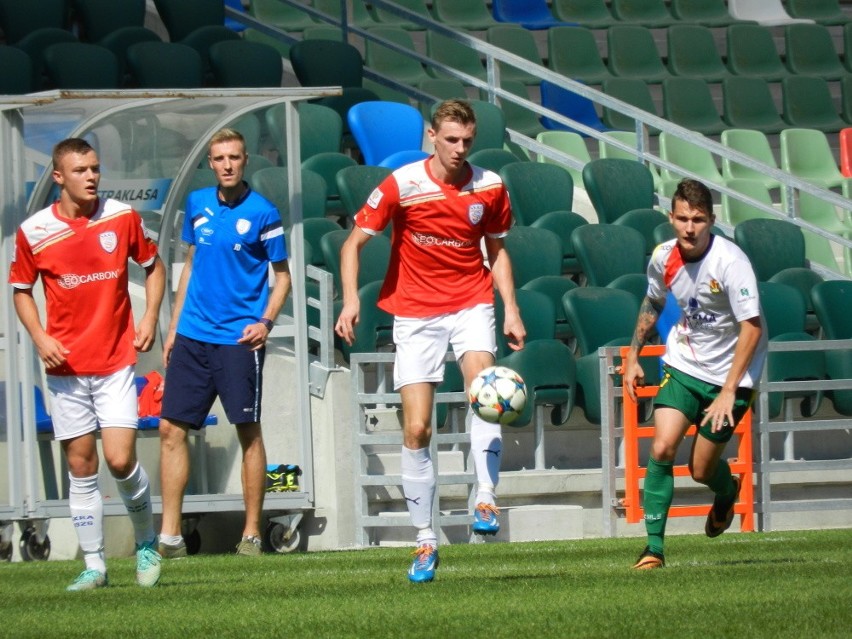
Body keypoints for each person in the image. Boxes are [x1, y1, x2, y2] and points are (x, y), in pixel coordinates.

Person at [335, 99, 526, 583]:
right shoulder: (403, 184)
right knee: (417, 429)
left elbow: (497, 251)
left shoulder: (490, 186)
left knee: (485, 392)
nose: (460, 149)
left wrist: (512, 309)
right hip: (415, 311)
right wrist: (350, 301)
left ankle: (486, 496)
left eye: (467, 140)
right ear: (432, 138)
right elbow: (352, 242)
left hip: (470, 301)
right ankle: (425, 541)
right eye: (451, 140)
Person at [9, 137, 166, 591]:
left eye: (95, 168)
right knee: (81, 466)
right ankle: (95, 565)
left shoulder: (121, 216)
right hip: (65, 372)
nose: (92, 176)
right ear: (58, 176)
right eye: (81, 170)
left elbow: (153, 266)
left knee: (119, 460)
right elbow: (21, 289)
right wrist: (40, 338)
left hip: (115, 361)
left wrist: (150, 315)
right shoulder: (35, 230)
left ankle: (145, 543)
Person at [158, 128, 291, 558]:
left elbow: (283, 276)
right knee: (170, 430)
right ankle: (170, 537)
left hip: (239, 341)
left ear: (245, 159)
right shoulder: (196, 204)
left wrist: (266, 322)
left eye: (234, 157)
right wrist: (174, 327)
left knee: (248, 433)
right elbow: (191, 264)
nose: (227, 164)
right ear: (210, 163)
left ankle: (251, 534)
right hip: (193, 336)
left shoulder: (264, 213)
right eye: (219, 158)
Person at [623, 178, 767, 570]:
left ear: (711, 220)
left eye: (698, 219)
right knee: (662, 447)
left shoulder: (730, 262)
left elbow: (751, 327)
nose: (689, 228)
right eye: (683, 218)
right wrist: (634, 355)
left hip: (733, 378)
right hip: (684, 364)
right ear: (671, 217)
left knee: (701, 468)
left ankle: (726, 491)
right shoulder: (663, 256)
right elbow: (653, 300)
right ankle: (653, 549)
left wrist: (727, 390)